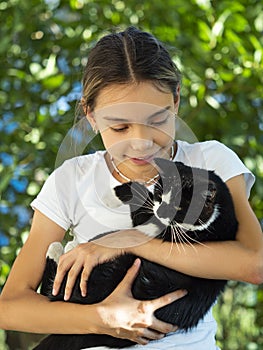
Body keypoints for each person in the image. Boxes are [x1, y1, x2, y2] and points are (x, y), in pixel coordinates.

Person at [0, 26, 262, 350]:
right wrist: (102, 318)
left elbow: (255, 263)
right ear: (91, 116)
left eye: (157, 120)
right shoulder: (72, 179)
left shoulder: (209, 161)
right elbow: (10, 307)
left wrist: (130, 242)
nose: (141, 143)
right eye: (120, 127)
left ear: (176, 101)